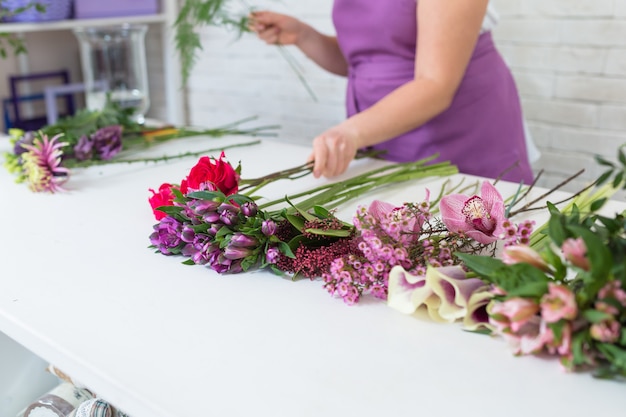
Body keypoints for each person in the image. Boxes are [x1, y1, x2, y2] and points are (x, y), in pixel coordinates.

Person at [250, 0, 534, 184]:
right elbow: (369, 62)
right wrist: (303, 35)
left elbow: (435, 84)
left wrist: (352, 132)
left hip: (457, 134)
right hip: (382, 132)